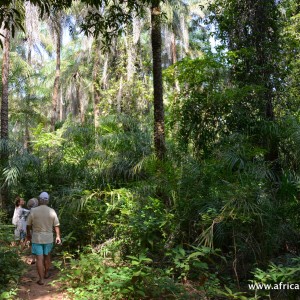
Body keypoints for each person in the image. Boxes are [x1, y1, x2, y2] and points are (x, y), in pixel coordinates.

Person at [26, 192, 61, 285]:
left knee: (39, 258)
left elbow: (28, 225)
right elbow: (56, 225)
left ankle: (41, 279)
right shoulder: (52, 211)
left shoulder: (33, 211)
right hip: (48, 238)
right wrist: (58, 236)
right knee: (47, 256)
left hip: (37, 238)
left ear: (39, 200)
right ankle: (46, 274)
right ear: (48, 200)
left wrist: (28, 234)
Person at [22, 198, 39, 264]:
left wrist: (28, 233)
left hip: (32, 230)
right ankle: (35, 258)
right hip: (37, 231)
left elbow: (27, 224)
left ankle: (34, 258)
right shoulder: (36, 212)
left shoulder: (29, 212)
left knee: (33, 244)